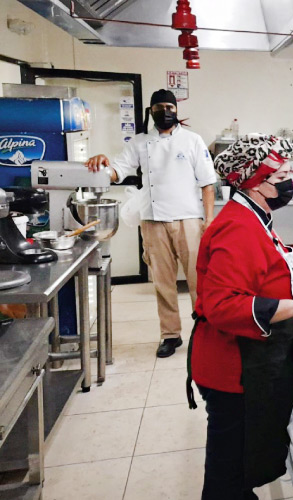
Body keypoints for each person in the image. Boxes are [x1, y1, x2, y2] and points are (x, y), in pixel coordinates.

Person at [187, 134, 293, 499]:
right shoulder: (237, 226)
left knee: (239, 460)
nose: (290, 180)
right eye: (282, 173)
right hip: (232, 368)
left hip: (249, 362)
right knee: (227, 471)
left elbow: (261, 275)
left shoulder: (256, 216)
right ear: (256, 183)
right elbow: (222, 305)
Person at [85, 89, 217, 358]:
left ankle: (206, 333)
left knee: (198, 282)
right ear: (151, 111)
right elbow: (116, 172)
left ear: (177, 110)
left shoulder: (192, 140)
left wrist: (209, 220)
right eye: (159, 107)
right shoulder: (139, 142)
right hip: (153, 220)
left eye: (170, 106)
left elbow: (208, 184)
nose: (165, 111)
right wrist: (101, 162)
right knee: (163, 282)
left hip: (188, 220)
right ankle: (170, 335)